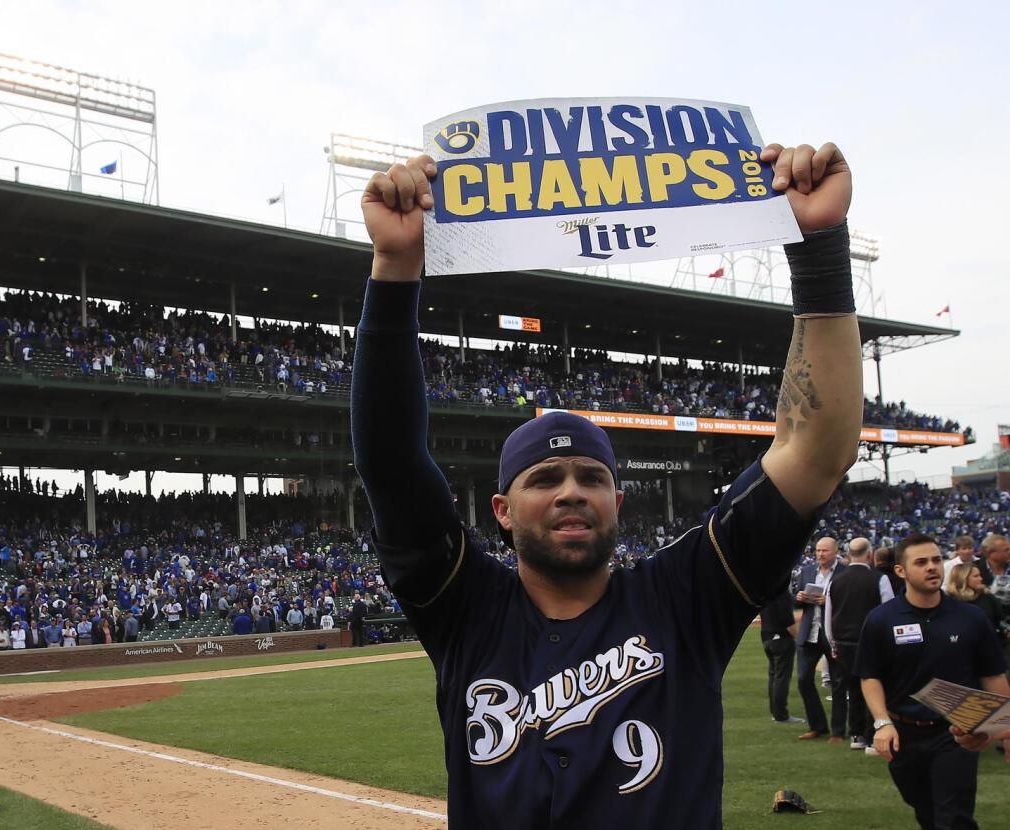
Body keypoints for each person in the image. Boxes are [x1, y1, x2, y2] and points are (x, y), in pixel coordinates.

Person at [352, 140, 860, 826]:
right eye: (544, 478)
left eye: (592, 477)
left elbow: (815, 450)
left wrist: (820, 248)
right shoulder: (466, 608)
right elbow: (391, 461)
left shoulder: (684, 596)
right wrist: (395, 269)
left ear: (617, 502)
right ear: (501, 510)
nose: (571, 490)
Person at [856, 533, 1010, 829]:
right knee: (926, 812)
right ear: (901, 571)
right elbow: (870, 675)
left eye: (937, 560)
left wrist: (1005, 729)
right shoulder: (880, 619)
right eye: (922, 562)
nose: (932, 567)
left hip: (956, 732)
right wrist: (882, 722)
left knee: (953, 818)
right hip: (903, 733)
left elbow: (992, 675)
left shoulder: (970, 617)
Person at [826, 536, 893, 750]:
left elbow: (829, 616)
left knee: (853, 689)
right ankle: (871, 734)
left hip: (844, 643)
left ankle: (856, 735)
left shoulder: (835, 581)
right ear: (870, 555)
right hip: (872, 642)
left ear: (848, 555)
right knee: (873, 688)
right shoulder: (879, 579)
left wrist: (832, 644)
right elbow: (889, 613)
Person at [794, 536, 847, 741]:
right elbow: (796, 601)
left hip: (832, 633)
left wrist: (829, 601)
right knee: (803, 680)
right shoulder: (807, 571)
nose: (820, 554)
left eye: (824, 551)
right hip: (809, 632)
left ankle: (837, 731)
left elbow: (848, 601)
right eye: (817, 551)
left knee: (838, 683)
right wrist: (799, 597)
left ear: (835, 551)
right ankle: (818, 726)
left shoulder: (845, 572)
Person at [759, 586, 802, 724]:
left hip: (767, 636)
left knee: (774, 676)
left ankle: (775, 712)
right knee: (782, 677)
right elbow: (788, 622)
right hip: (781, 638)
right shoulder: (781, 593)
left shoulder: (766, 591)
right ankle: (781, 714)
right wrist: (799, 638)